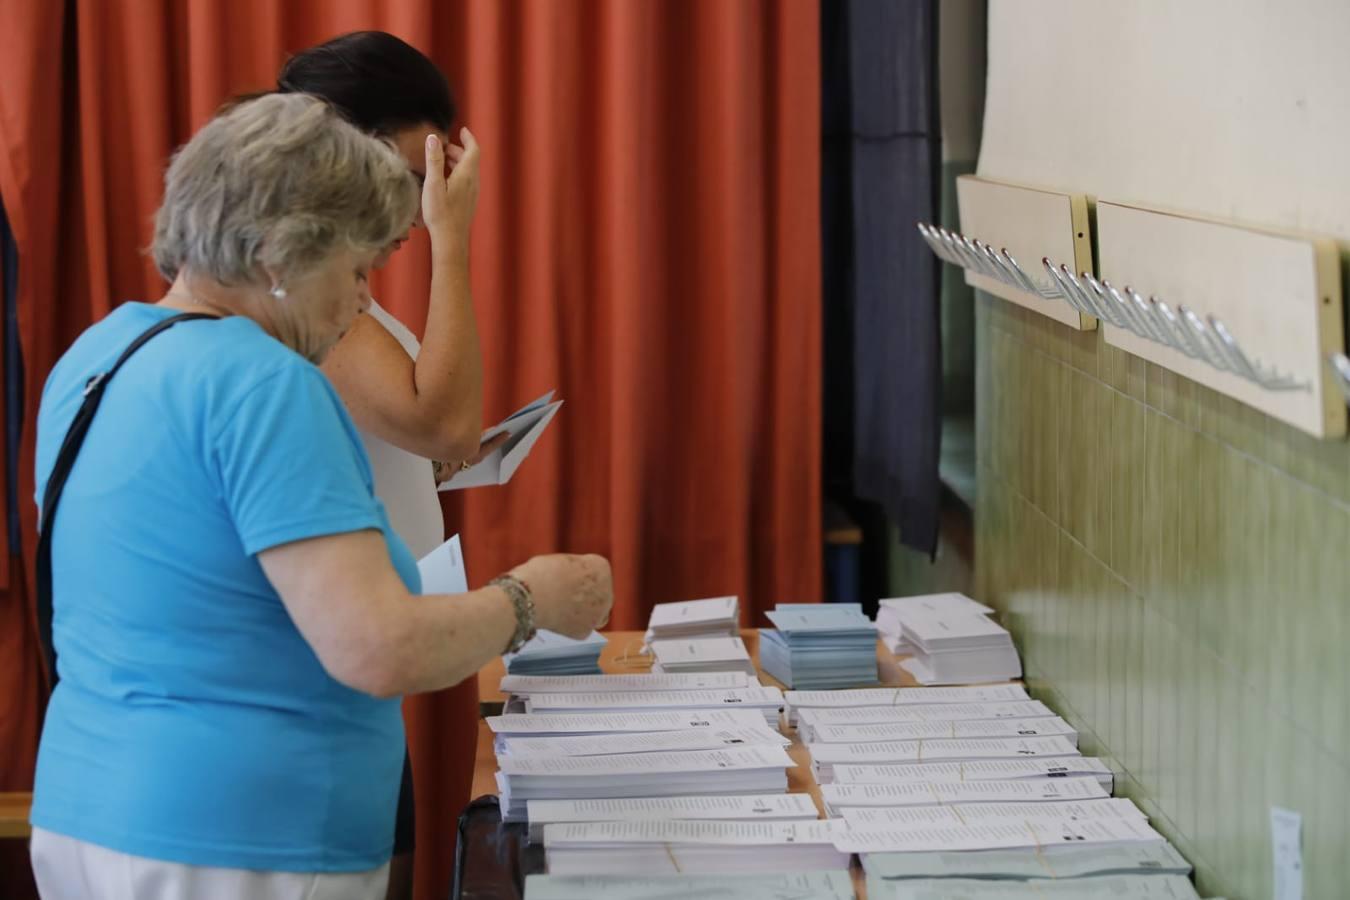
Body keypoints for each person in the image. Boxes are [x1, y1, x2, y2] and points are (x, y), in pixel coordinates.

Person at [27, 93, 612, 900]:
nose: (365, 298)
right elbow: (378, 648)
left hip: (89, 811)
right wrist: (528, 598)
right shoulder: (266, 383)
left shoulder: (96, 356)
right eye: (356, 267)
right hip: (246, 840)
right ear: (278, 257)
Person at [274, 33, 503, 898]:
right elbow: (443, 420)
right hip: (320, 687)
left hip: (365, 676)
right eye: (415, 178)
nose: (419, 206)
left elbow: (407, 434)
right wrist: (452, 240)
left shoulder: (338, 284)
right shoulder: (298, 286)